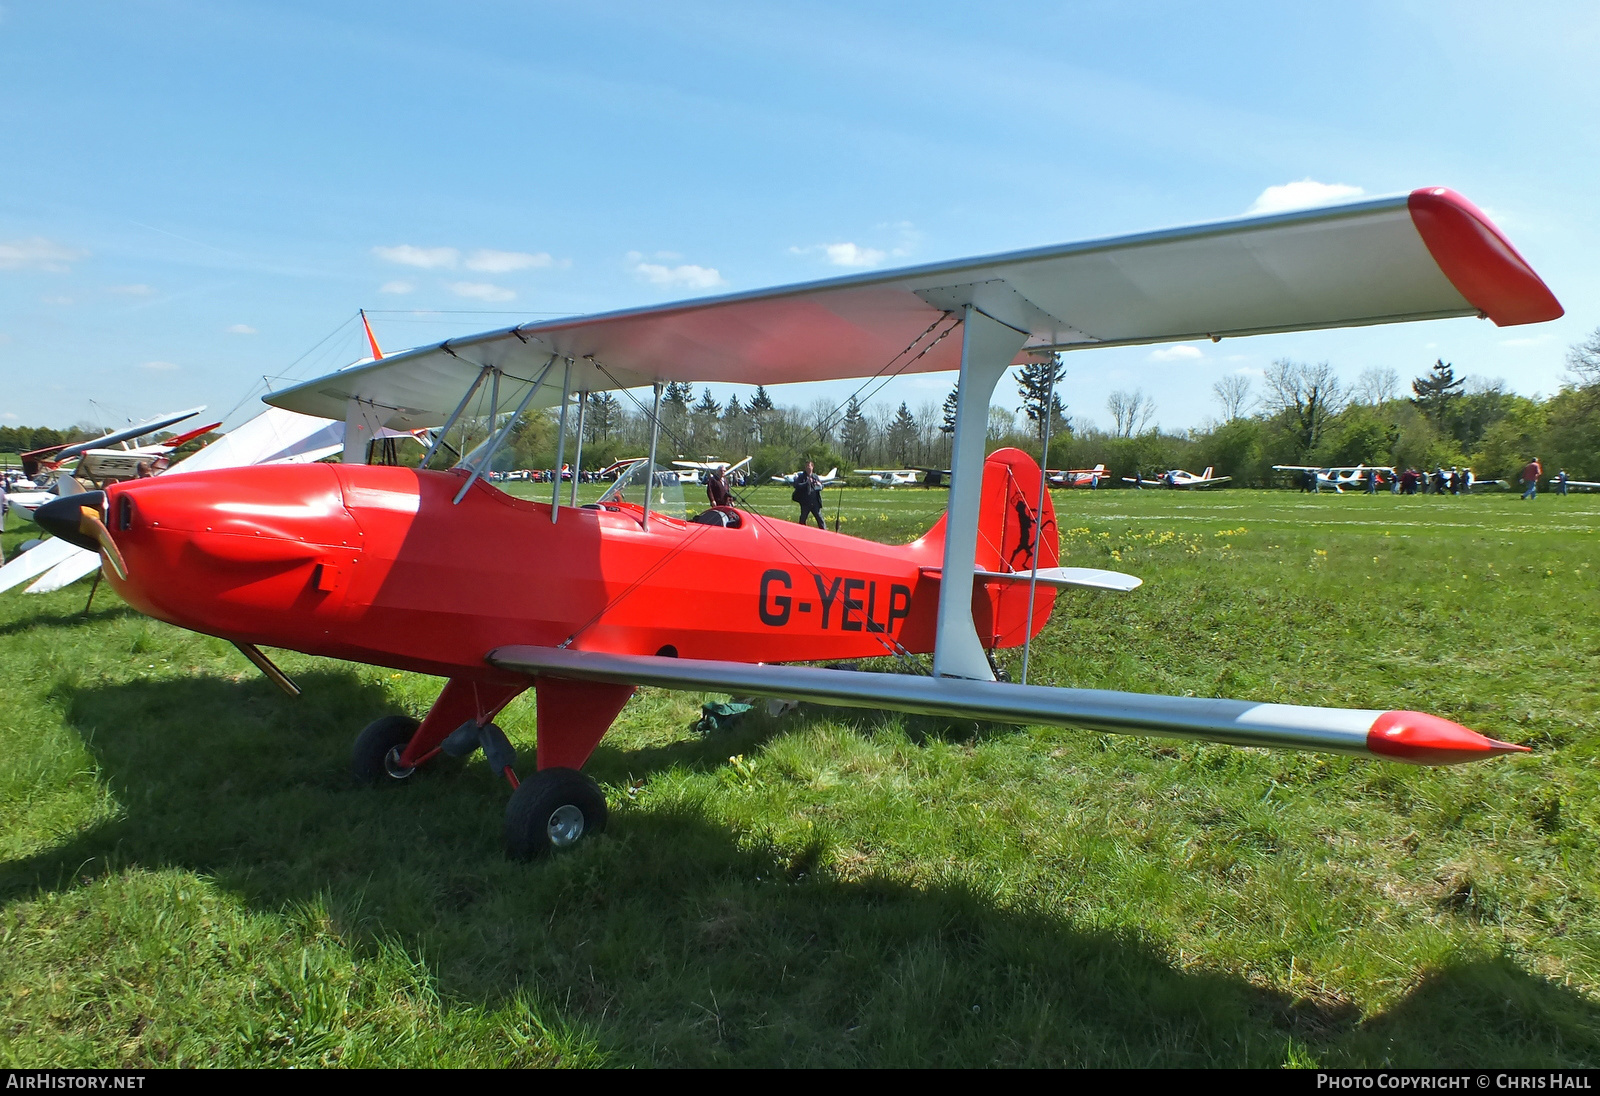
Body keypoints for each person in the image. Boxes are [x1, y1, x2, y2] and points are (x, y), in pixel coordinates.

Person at [793, 461, 825, 528]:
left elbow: (822, 486)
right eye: (806, 466)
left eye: (809, 466)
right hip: (805, 502)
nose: (807, 467)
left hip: (815, 502)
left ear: (812, 467)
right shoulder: (801, 476)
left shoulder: (815, 476)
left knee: (820, 519)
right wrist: (807, 483)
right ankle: (801, 532)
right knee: (803, 519)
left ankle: (824, 533)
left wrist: (819, 485)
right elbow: (797, 485)